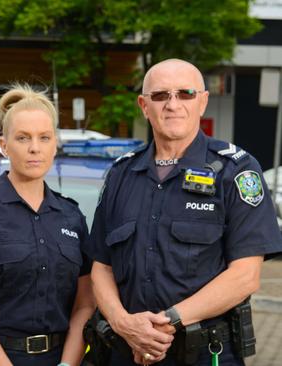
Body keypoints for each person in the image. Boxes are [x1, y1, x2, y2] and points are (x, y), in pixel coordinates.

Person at [87, 59, 282, 366]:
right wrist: (124, 323)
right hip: (126, 350)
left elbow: (245, 276)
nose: (172, 104)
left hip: (205, 354)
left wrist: (164, 324)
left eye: (185, 93)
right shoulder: (121, 174)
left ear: (203, 101)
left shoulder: (236, 170)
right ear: (144, 105)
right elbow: (101, 267)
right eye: (161, 95)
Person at [0, 83, 96, 366]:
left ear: (55, 145)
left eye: (44, 137)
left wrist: (68, 364)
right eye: (23, 138)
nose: (35, 148)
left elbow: (85, 304)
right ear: (4, 145)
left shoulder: (71, 216)